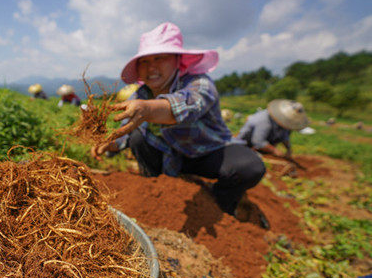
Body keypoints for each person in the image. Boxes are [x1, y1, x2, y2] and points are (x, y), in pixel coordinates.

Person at [91, 22, 265, 215]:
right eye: (145, 61)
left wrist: (148, 109)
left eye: (159, 58)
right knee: (137, 138)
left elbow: (186, 105)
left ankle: (220, 204)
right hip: (170, 156)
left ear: (177, 60)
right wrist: (110, 143)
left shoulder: (200, 83)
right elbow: (126, 130)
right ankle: (154, 191)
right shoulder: (141, 94)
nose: (151, 67)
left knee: (250, 167)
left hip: (208, 153)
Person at [235, 99, 309, 158]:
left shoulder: (283, 123)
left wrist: (288, 149)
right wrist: (274, 150)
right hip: (245, 145)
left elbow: (284, 136)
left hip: (262, 147)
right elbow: (258, 142)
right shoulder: (263, 120)